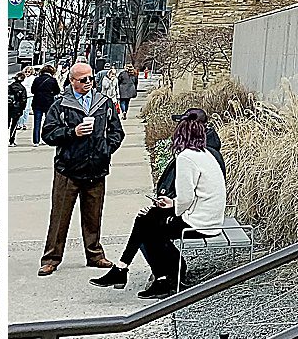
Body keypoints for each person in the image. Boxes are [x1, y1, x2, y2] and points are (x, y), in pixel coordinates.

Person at [91, 108, 226, 296]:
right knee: (146, 218)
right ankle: (122, 269)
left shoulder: (187, 157)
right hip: (210, 216)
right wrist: (170, 204)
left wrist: (172, 205)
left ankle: (164, 278)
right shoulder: (207, 153)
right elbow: (194, 195)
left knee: (148, 228)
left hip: (200, 222)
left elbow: (186, 199)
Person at [38, 62, 124, 276]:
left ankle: (95, 254)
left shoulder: (103, 103)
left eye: (91, 78)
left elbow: (117, 132)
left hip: (96, 168)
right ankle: (51, 258)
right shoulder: (60, 105)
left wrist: (106, 150)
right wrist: (72, 132)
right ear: (72, 81)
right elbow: (48, 134)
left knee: (93, 215)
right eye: (83, 79)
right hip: (68, 169)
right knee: (59, 216)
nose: (88, 82)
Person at [29, 64, 60, 146]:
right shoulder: (52, 80)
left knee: (37, 122)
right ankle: (45, 139)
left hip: (37, 102)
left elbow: (32, 90)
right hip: (48, 102)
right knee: (47, 122)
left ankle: (36, 141)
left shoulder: (37, 79)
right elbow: (57, 91)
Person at [7, 68, 30, 146]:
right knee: (14, 125)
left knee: (7, 123)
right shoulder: (22, 88)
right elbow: (24, 100)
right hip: (17, 108)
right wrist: (22, 109)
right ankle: (11, 140)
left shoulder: (9, 87)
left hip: (8, 107)